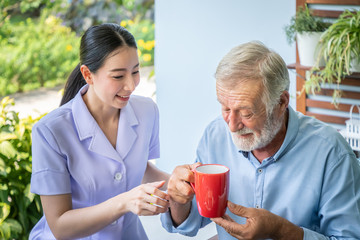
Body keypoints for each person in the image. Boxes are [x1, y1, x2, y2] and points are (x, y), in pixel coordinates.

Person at [161, 41, 360, 239]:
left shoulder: (332, 153)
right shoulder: (215, 136)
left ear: (281, 102)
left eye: (246, 113)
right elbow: (190, 223)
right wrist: (179, 200)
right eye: (226, 109)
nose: (232, 125)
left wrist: (281, 231)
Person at [30, 23, 170, 240]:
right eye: (118, 76)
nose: (131, 85)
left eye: (135, 72)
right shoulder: (50, 131)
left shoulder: (146, 111)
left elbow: (139, 169)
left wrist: (181, 181)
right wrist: (125, 202)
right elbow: (59, 226)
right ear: (88, 74)